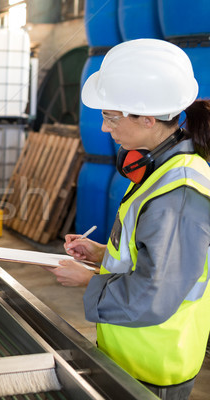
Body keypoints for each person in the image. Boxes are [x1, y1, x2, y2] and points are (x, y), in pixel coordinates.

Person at [43, 39, 210, 400]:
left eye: (110, 116)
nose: (104, 128)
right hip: (131, 349)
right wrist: (101, 253)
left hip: (155, 363)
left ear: (148, 119)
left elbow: (154, 294)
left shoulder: (179, 193)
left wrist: (88, 280)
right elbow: (149, 253)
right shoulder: (160, 167)